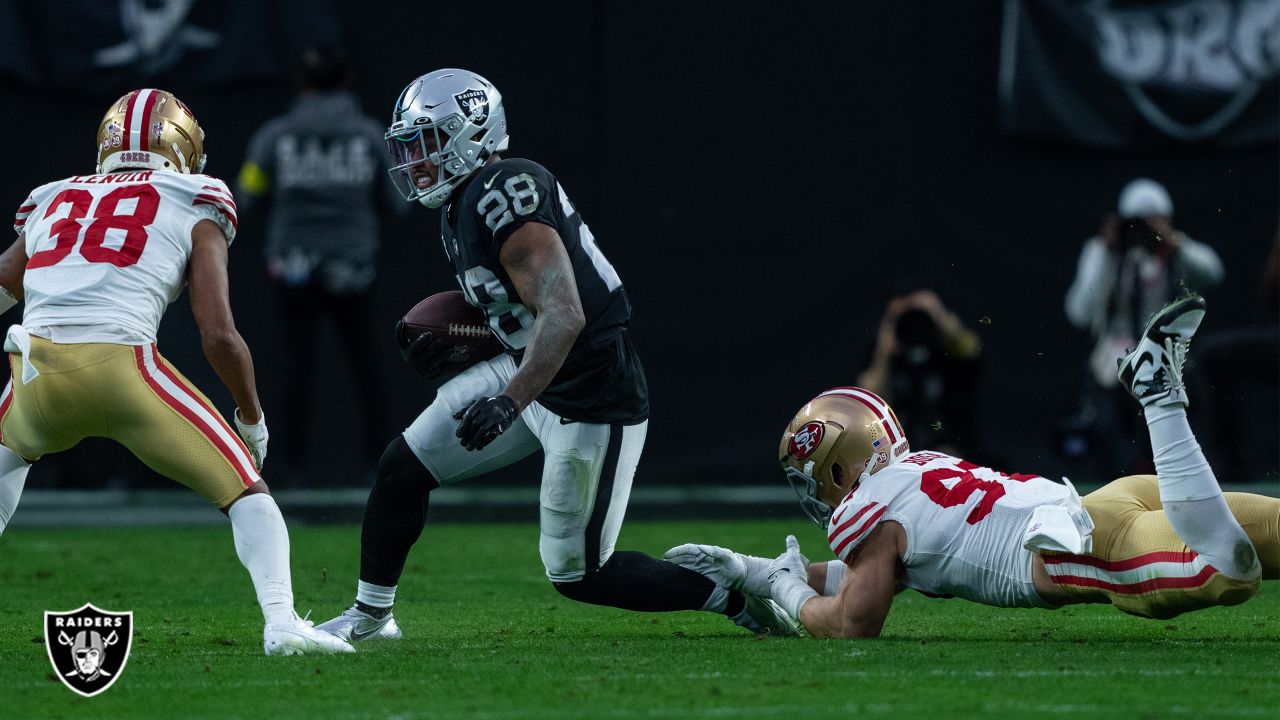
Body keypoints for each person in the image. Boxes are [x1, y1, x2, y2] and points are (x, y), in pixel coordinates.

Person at [316, 69, 791, 641]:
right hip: (530, 367)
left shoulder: (503, 191)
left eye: (428, 141)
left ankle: (734, 596)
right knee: (402, 468)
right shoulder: (464, 202)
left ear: (472, 135)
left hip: (591, 388)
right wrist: (479, 339)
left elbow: (564, 313)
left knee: (581, 573)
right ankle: (371, 616)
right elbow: (527, 311)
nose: (416, 159)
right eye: (411, 145)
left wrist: (508, 401)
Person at [668, 295, 1278, 637]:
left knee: (1227, 572)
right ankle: (1158, 394)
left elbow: (853, 621)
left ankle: (1156, 393)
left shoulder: (869, 513)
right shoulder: (912, 472)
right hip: (1104, 505)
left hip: (1082, 547)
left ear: (836, 466)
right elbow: (867, 576)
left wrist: (777, 583)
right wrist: (750, 568)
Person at [0, 89, 351, 655]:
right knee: (247, 494)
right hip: (122, 370)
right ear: (183, 148)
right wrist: (252, 418)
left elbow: (5, 284)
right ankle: (283, 623)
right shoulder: (195, 196)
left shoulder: (55, 198)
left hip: (33, 373)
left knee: (6, 463)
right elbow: (219, 335)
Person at [237, 46, 405, 469]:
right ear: (348, 83)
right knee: (367, 369)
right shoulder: (371, 137)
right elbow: (401, 199)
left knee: (293, 371)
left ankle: (281, 468)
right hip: (355, 272)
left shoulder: (275, 136)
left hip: (293, 270)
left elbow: (247, 192)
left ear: (302, 84)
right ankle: (384, 466)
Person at [1064, 178, 1224, 475]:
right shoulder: (1105, 254)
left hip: (1169, 359)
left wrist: (1172, 242)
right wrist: (1104, 253)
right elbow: (1079, 313)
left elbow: (1214, 273)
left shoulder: (1176, 254)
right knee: (1110, 410)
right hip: (1113, 361)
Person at [856, 288, 982, 458]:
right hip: (900, 452)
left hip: (954, 448)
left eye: (917, 315)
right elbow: (869, 402)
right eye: (900, 317)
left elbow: (973, 353)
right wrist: (884, 353)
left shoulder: (945, 347)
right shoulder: (883, 351)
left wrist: (940, 317)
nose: (912, 324)